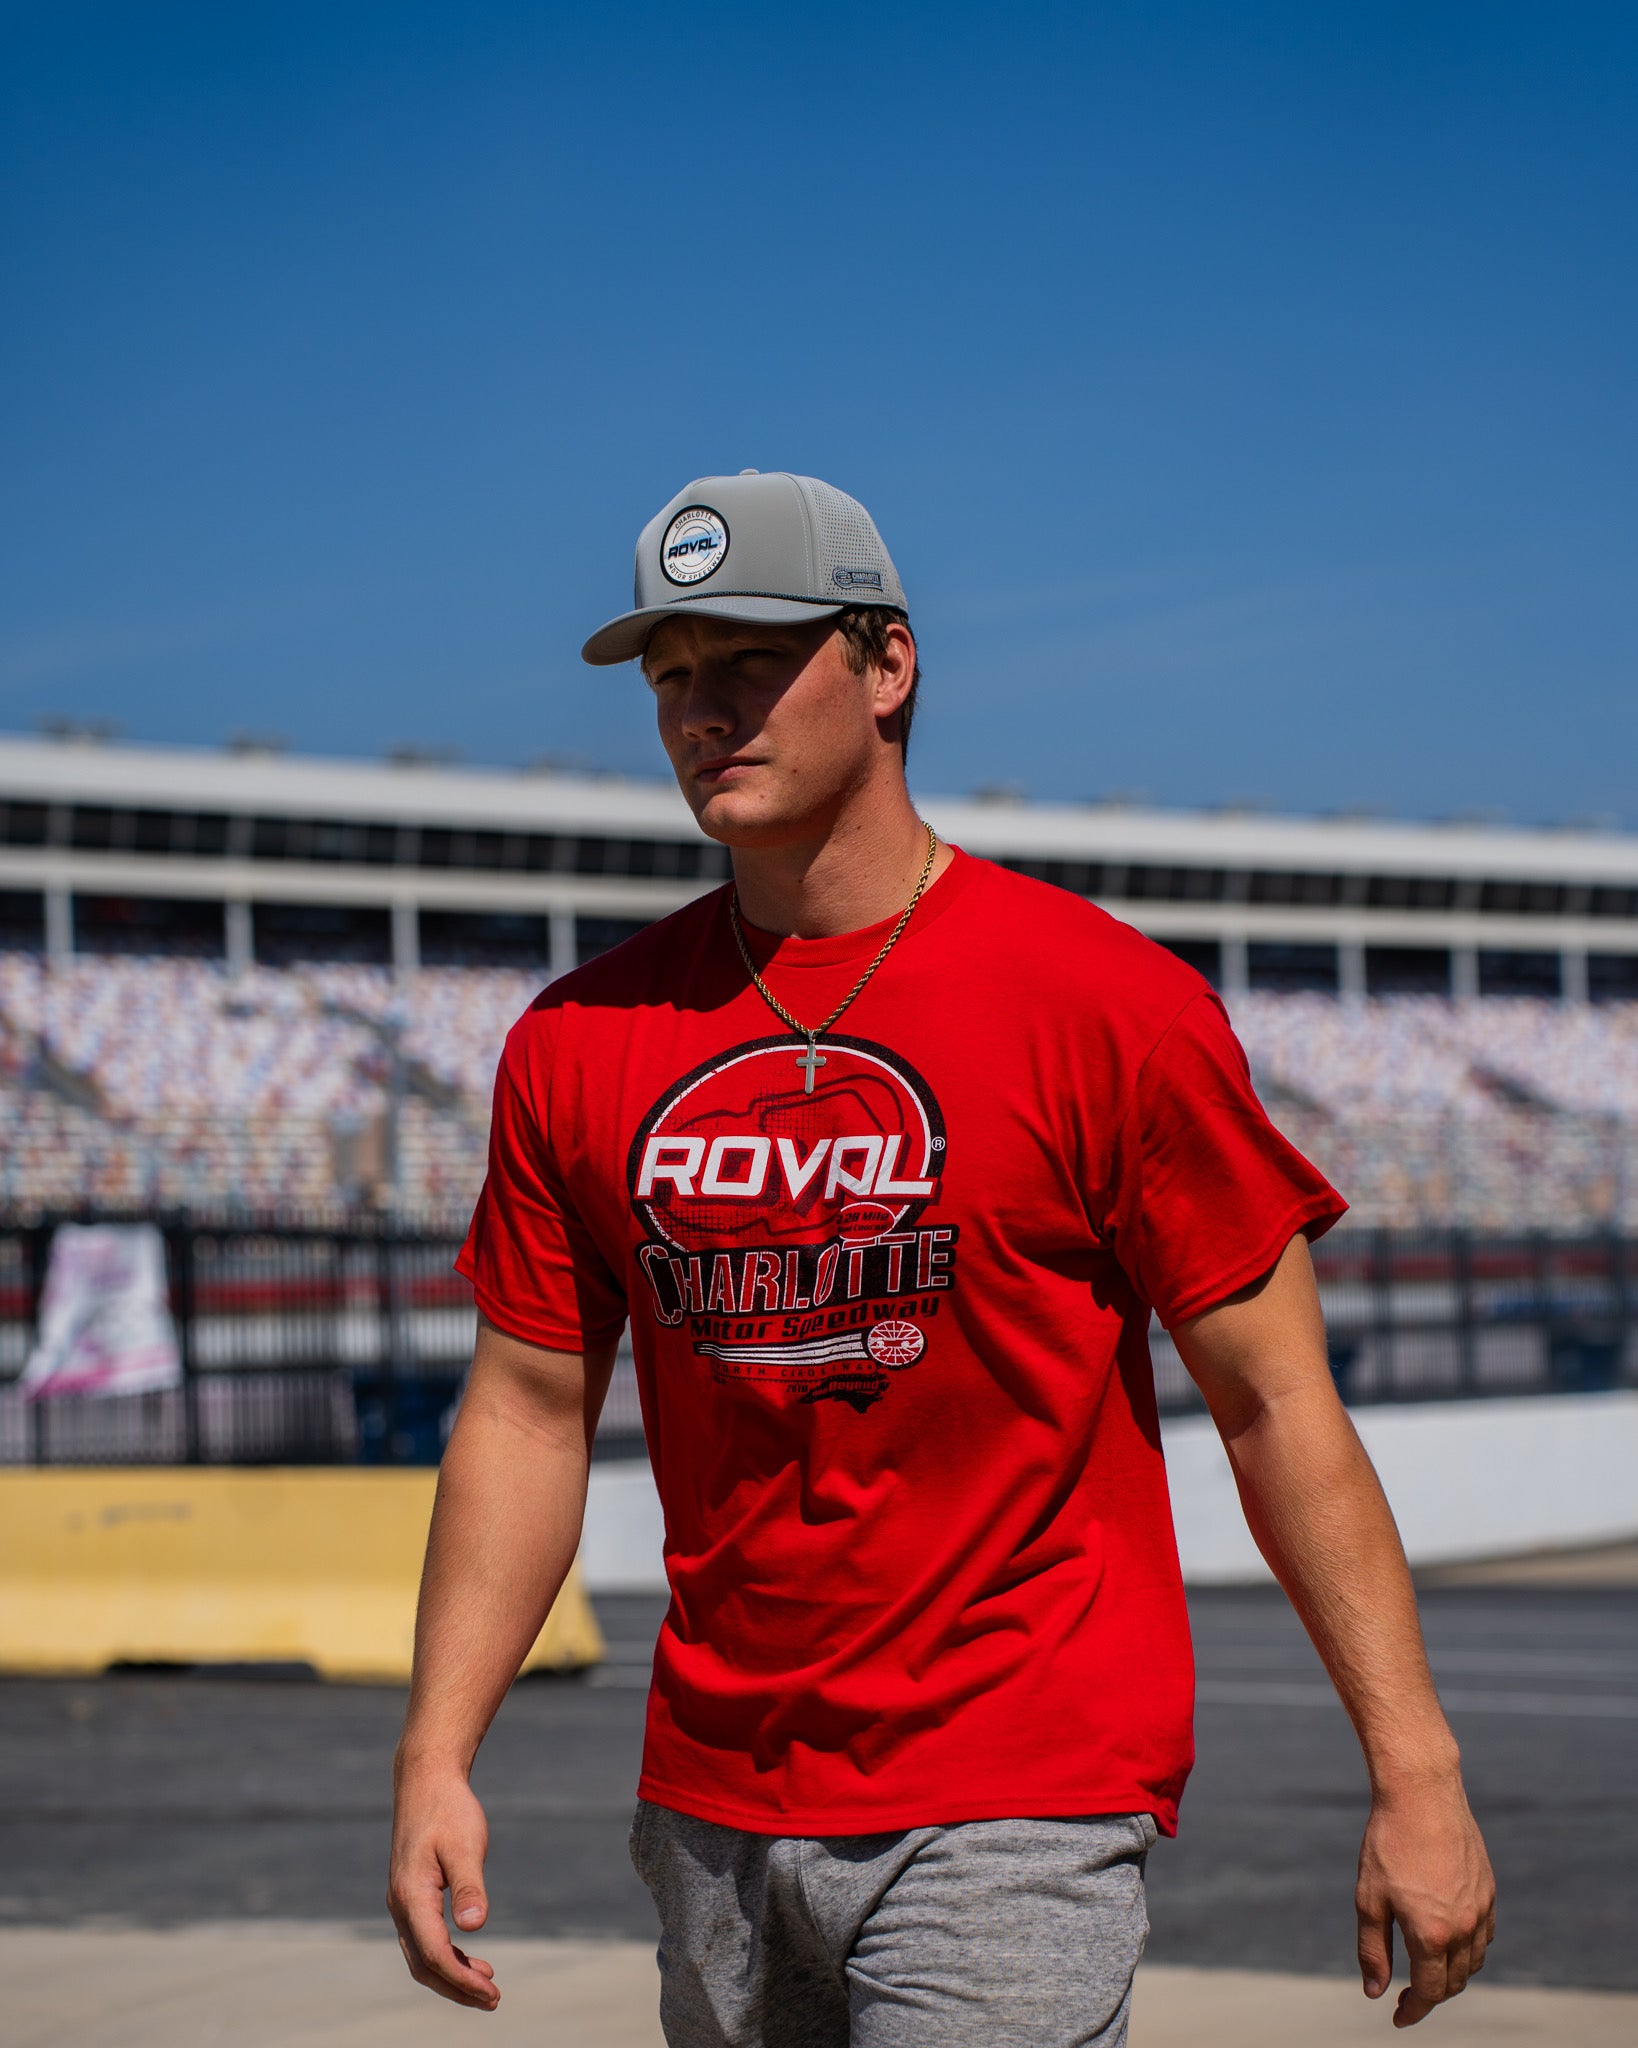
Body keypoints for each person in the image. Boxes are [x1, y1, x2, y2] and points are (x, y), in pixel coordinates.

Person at [388, 471, 1495, 2044]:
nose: (704, 711)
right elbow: (524, 1413)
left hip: (1016, 1787)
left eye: (751, 661)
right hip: (712, 1799)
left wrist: (1416, 1772)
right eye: (673, 677)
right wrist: (435, 1754)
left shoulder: (1107, 1007)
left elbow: (1274, 1406)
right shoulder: (578, 1040)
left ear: (887, 665)